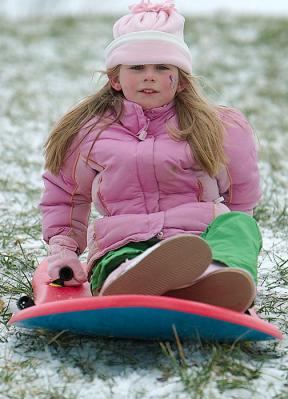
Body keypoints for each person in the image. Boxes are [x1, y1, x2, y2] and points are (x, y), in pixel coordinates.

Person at [39, 0, 262, 312]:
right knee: (117, 258)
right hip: (126, 238)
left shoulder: (216, 127)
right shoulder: (90, 133)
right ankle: (127, 279)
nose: (149, 77)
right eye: (137, 68)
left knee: (238, 225)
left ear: (181, 79)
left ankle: (218, 279)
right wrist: (64, 251)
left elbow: (241, 195)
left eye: (162, 68)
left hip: (200, 238)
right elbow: (66, 196)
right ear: (115, 78)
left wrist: (236, 241)